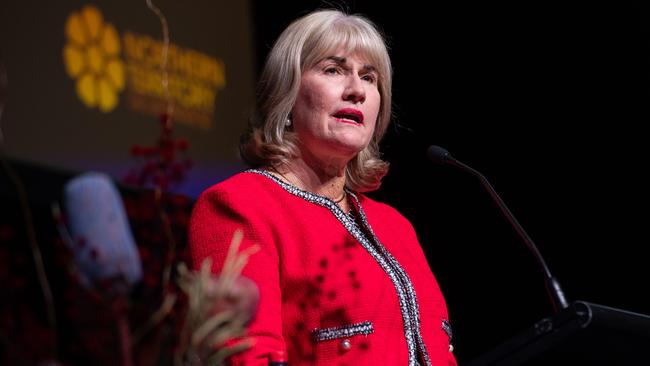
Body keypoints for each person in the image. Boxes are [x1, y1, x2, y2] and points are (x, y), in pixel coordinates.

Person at [189, 9, 456, 366]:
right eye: (333, 70)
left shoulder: (397, 227)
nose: (357, 90)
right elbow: (243, 356)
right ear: (287, 94)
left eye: (369, 77)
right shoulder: (239, 205)